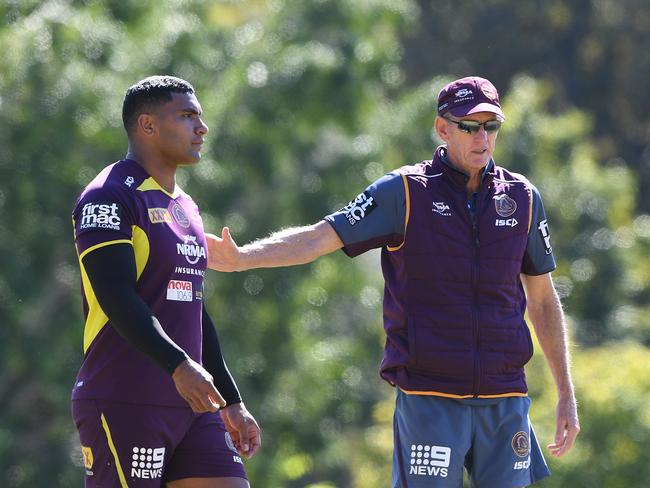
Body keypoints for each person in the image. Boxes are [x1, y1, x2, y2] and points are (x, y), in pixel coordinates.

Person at [206, 76, 579, 487]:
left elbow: (543, 300)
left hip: (506, 398)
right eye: (470, 127)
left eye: (491, 126)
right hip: (429, 398)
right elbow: (319, 237)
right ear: (442, 128)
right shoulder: (403, 191)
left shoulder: (523, 197)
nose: (483, 138)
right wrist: (242, 258)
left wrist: (566, 392)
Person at [71, 75, 260, 488]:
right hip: (125, 397)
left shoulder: (185, 205)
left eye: (200, 116)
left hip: (192, 404)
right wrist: (177, 365)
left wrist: (231, 399)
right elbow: (116, 295)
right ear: (148, 125)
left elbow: (192, 307)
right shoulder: (108, 196)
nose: (202, 127)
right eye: (188, 116)